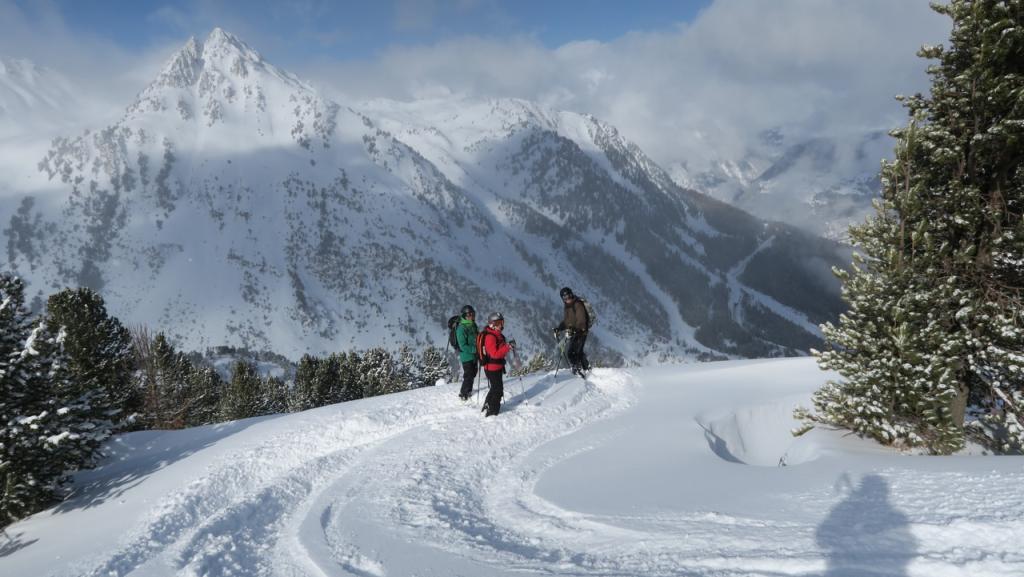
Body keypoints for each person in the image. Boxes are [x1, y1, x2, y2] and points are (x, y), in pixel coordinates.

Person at [480, 312, 512, 417]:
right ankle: (493, 412)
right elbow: (494, 354)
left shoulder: (496, 335)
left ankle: (488, 405)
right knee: (498, 390)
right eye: (498, 322)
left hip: (495, 367)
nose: (501, 325)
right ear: (492, 324)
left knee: (495, 388)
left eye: (502, 322)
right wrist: (508, 347)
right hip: (492, 367)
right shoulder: (491, 337)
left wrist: (507, 346)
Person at [553, 287, 590, 376]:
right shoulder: (567, 307)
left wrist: (574, 330)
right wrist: (559, 328)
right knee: (578, 352)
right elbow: (567, 321)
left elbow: (581, 321)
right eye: (565, 298)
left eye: (568, 296)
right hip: (574, 332)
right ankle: (587, 369)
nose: (567, 299)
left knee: (572, 353)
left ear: (571, 294)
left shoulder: (577, 304)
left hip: (581, 332)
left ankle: (578, 370)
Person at [455, 305, 479, 401]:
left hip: (474, 355)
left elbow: (477, 336)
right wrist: (474, 349)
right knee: (468, 375)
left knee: (473, 373)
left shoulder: (473, 325)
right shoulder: (461, 329)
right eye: (469, 314)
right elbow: (463, 346)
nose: (471, 316)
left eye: (473, 314)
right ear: (464, 315)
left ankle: (469, 390)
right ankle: (464, 393)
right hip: (467, 356)